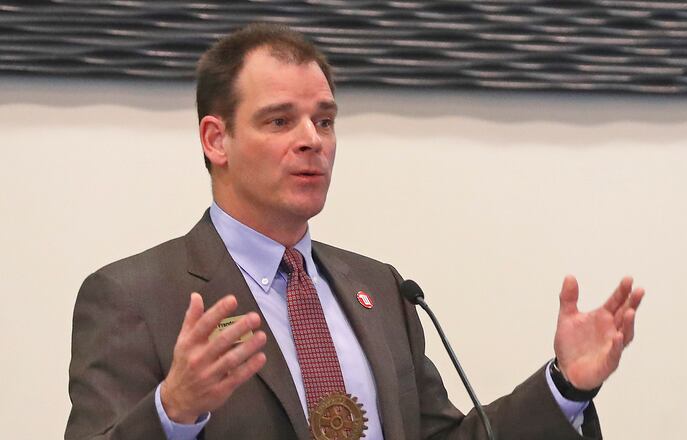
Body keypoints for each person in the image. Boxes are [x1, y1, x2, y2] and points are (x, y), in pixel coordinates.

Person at [66, 22, 644, 440]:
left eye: (324, 121)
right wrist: (173, 412)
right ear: (216, 140)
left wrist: (566, 386)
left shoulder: (381, 289)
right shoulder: (135, 296)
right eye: (279, 120)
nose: (311, 140)